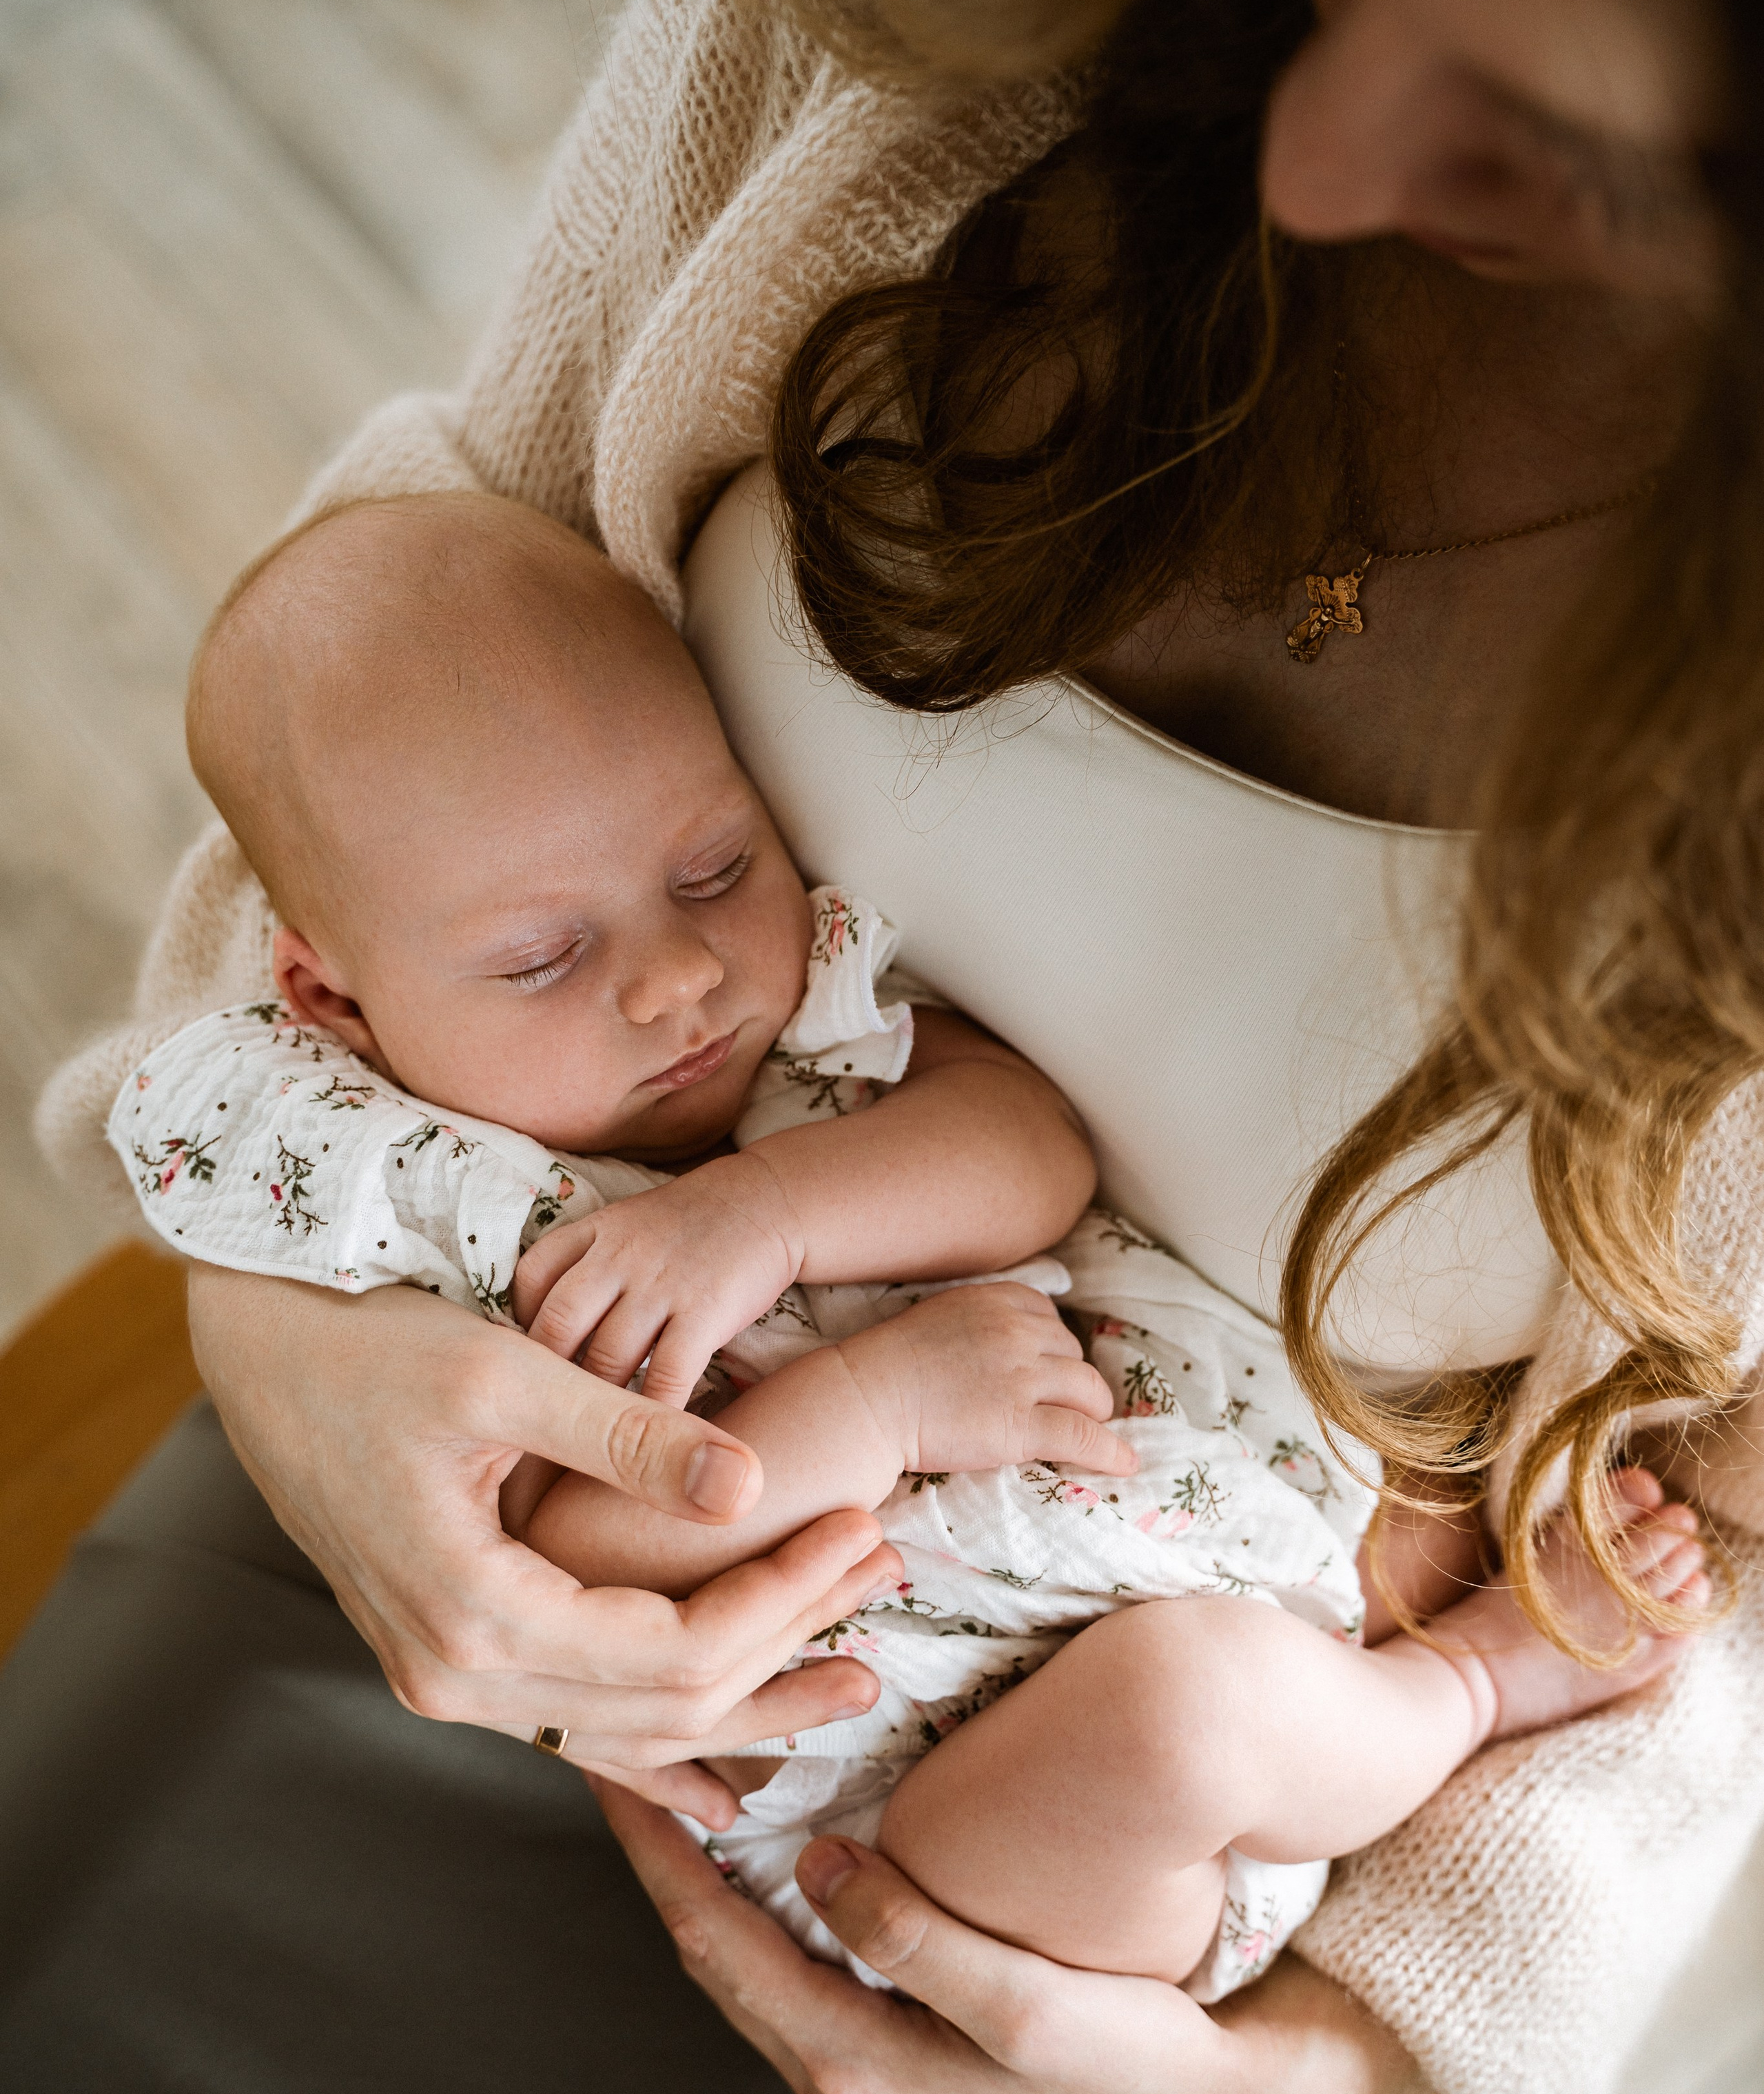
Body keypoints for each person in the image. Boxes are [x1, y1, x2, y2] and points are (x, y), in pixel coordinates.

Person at [8, 0, 1764, 2094]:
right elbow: (461, 578)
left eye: (1553, 126)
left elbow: (1697, 1546)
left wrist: (1297, 2077)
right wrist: (303, 1339)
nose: (1315, 153)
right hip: (422, 1514)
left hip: (1041, 1849)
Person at [113, 485, 1713, 2011]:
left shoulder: (811, 1023)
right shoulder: (397, 1191)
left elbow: (1026, 1151)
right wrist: (879, 1409)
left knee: (1205, 1692)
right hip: (920, 1839)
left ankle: (1434, 1694)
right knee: (1177, 1719)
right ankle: (1469, 1690)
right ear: (330, 1000)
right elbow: (584, 1574)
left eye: (711, 866)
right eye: (539, 959)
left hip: (1167, 1553)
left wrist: (767, 1206)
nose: (677, 977)